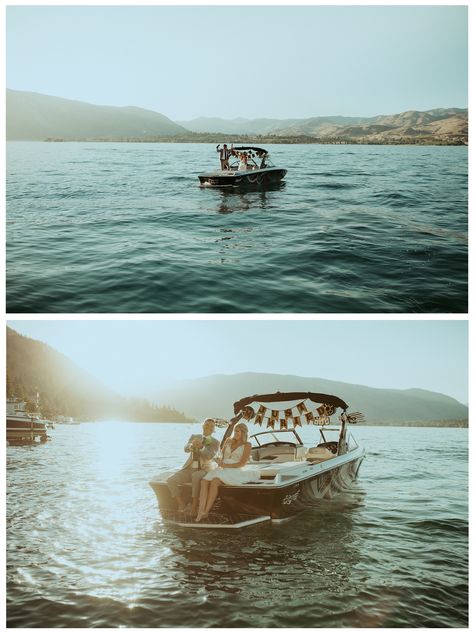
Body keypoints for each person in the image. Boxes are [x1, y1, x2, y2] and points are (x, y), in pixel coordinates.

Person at [195, 422, 259, 522]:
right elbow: (221, 455)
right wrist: (218, 460)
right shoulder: (229, 440)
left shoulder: (247, 445)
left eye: (238, 432)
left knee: (215, 481)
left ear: (243, 433)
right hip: (222, 467)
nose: (236, 433)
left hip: (234, 469)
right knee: (204, 481)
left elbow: (242, 463)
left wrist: (225, 465)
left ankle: (206, 511)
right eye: (235, 431)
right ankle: (200, 510)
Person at [167, 418, 220, 516]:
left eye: (211, 426)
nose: (208, 427)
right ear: (202, 426)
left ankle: (195, 506)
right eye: (207, 424)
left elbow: (210, 456)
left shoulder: (215, 442)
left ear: (214, 430)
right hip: (189, 468)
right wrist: (191, 445)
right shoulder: (194, 436)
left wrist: (201, 447)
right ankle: (181, 504)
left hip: (204, 469)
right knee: (170, 480)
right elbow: (185, 448)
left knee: (195, 476)